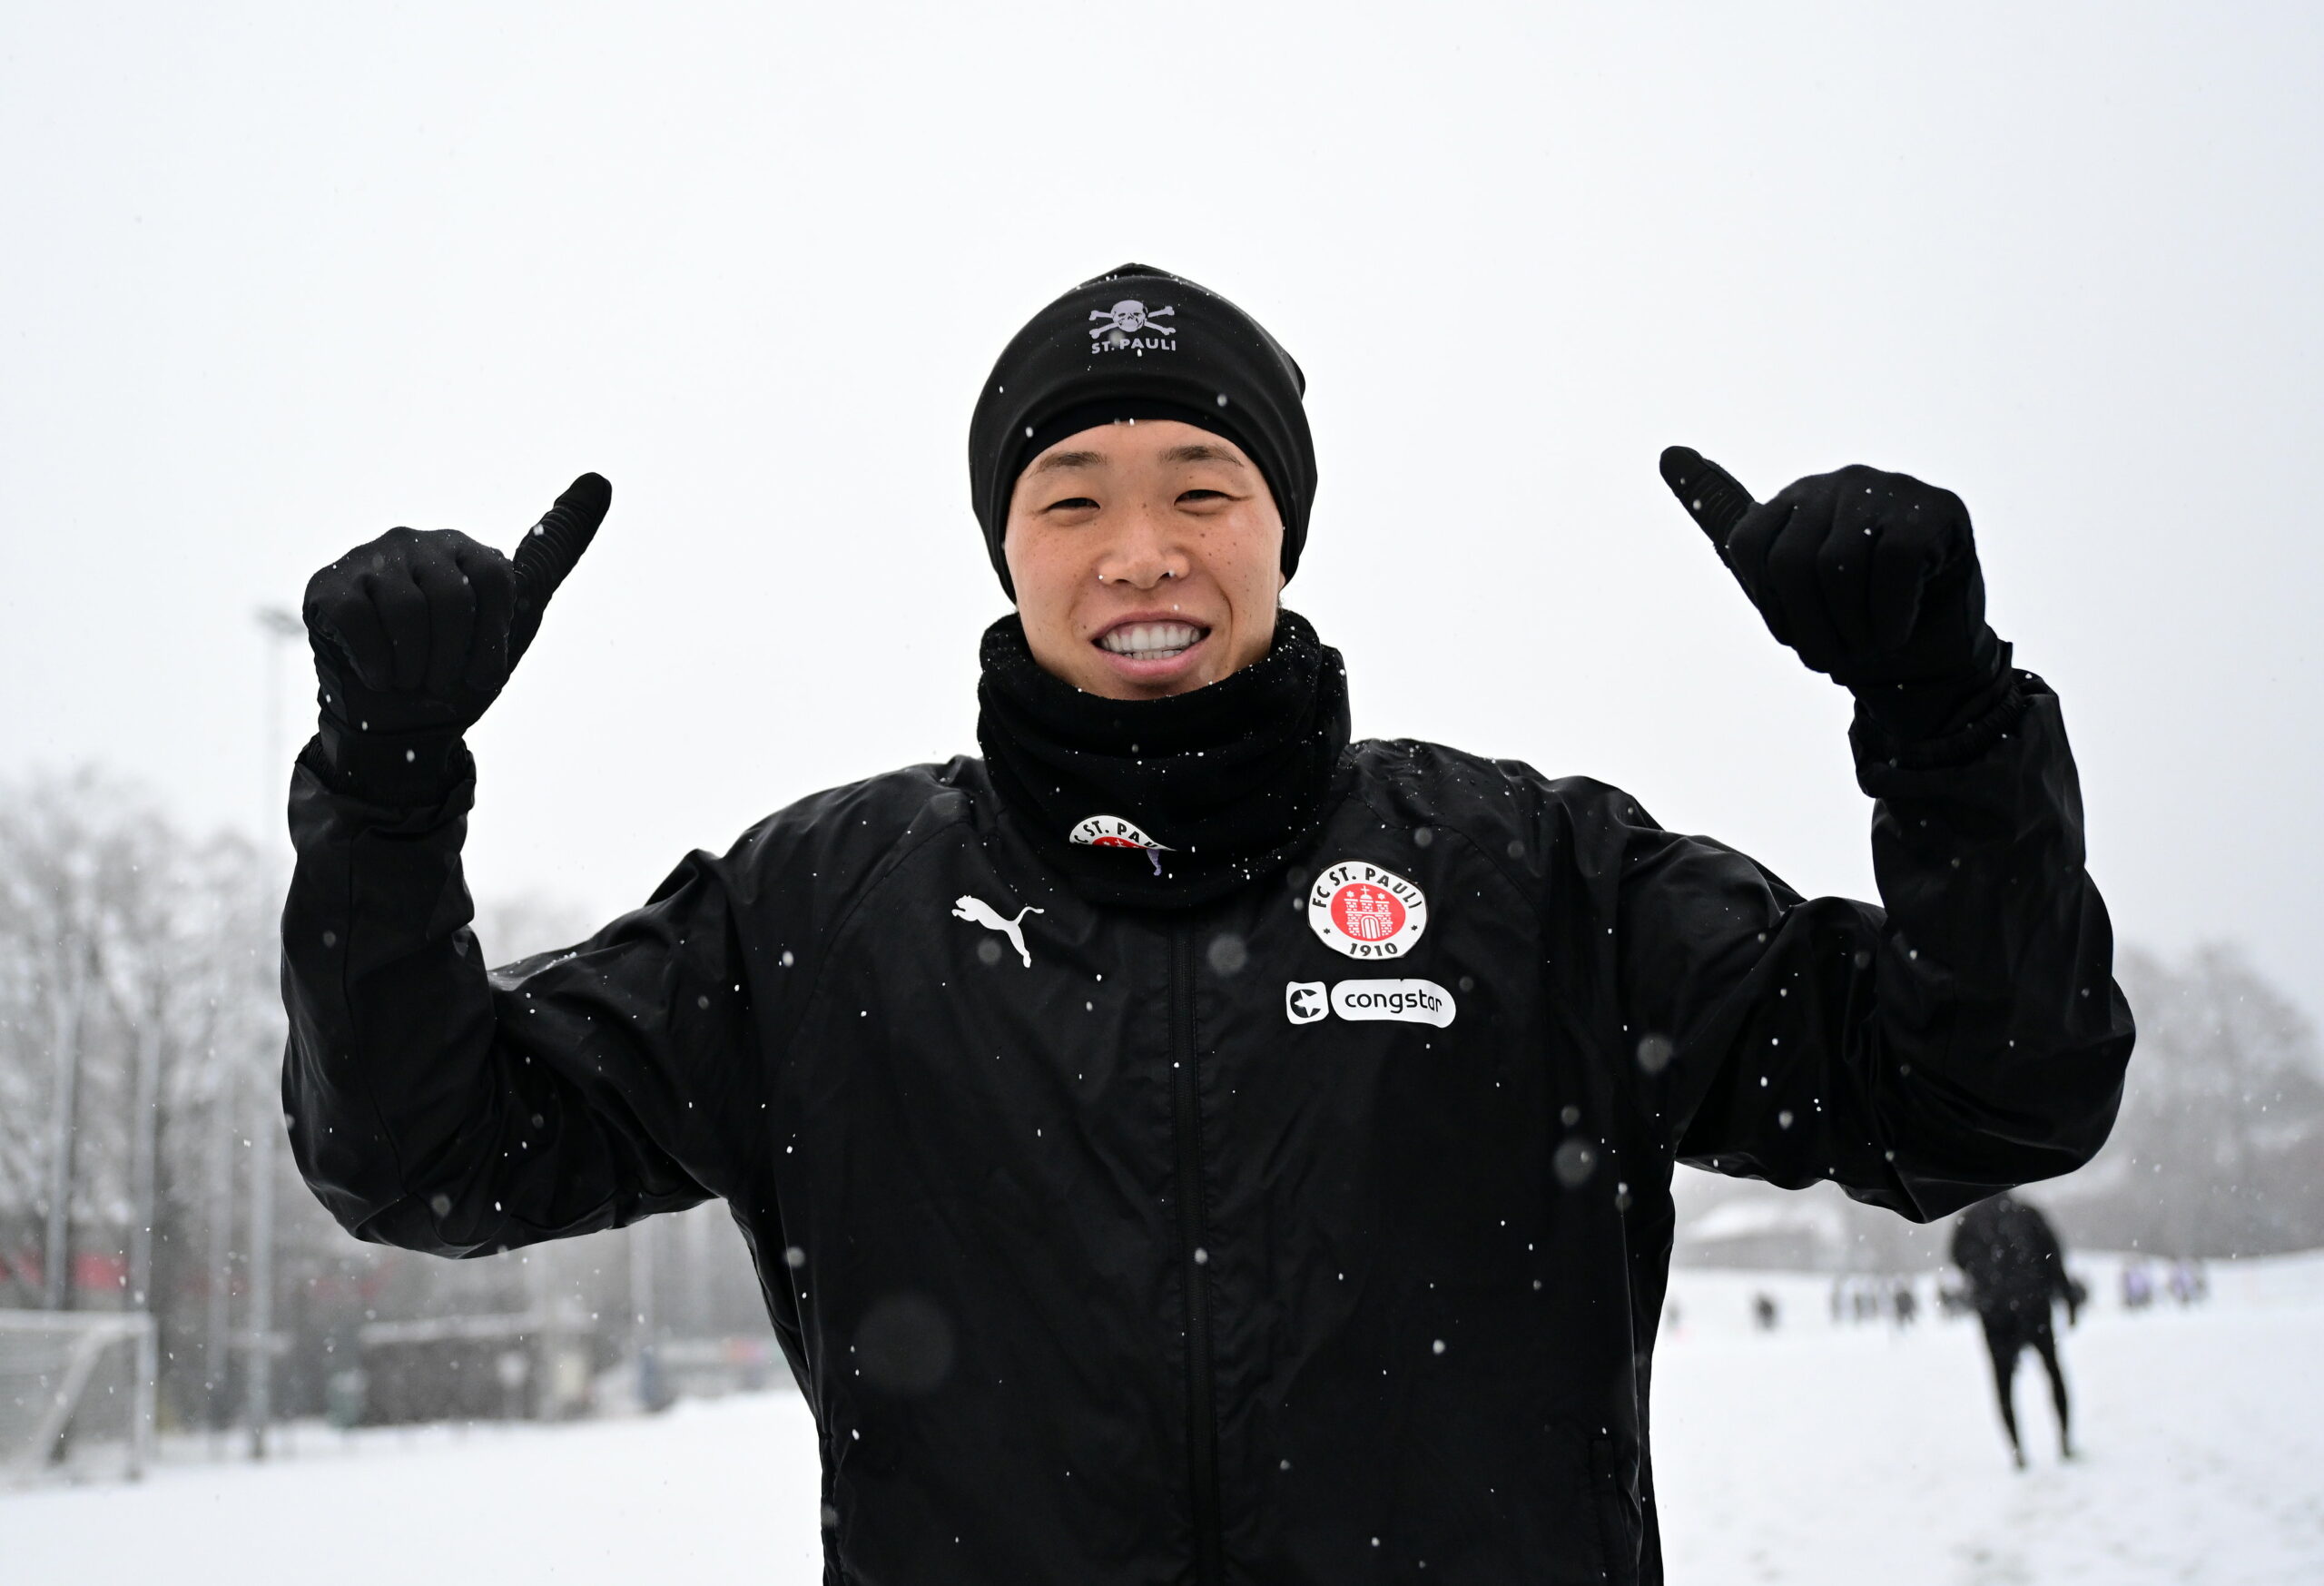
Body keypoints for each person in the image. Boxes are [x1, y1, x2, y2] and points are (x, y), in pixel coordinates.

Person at [281, 263, 2135, 1583]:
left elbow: (1976, 1095)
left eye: (1201, 487)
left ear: (1280, 533)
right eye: (1069, 494)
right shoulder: (821, 917)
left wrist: (1944, 717)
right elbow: (427, 1150)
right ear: (1007, 549)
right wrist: (381, 783)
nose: (1138, 548)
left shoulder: (1533, 881)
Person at [1951, 1192, 2080, 1467]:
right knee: (2053, 1371)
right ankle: (2065, 1441)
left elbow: (1957, 1258)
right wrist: (2067, 1298)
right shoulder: (2027, 1213)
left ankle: (2017, 1451)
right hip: (2034, 1306)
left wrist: (1984, 1277)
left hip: (1995, 1312)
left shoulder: (1970, 1220)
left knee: (2003, 1382)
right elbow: (2054, 1259)